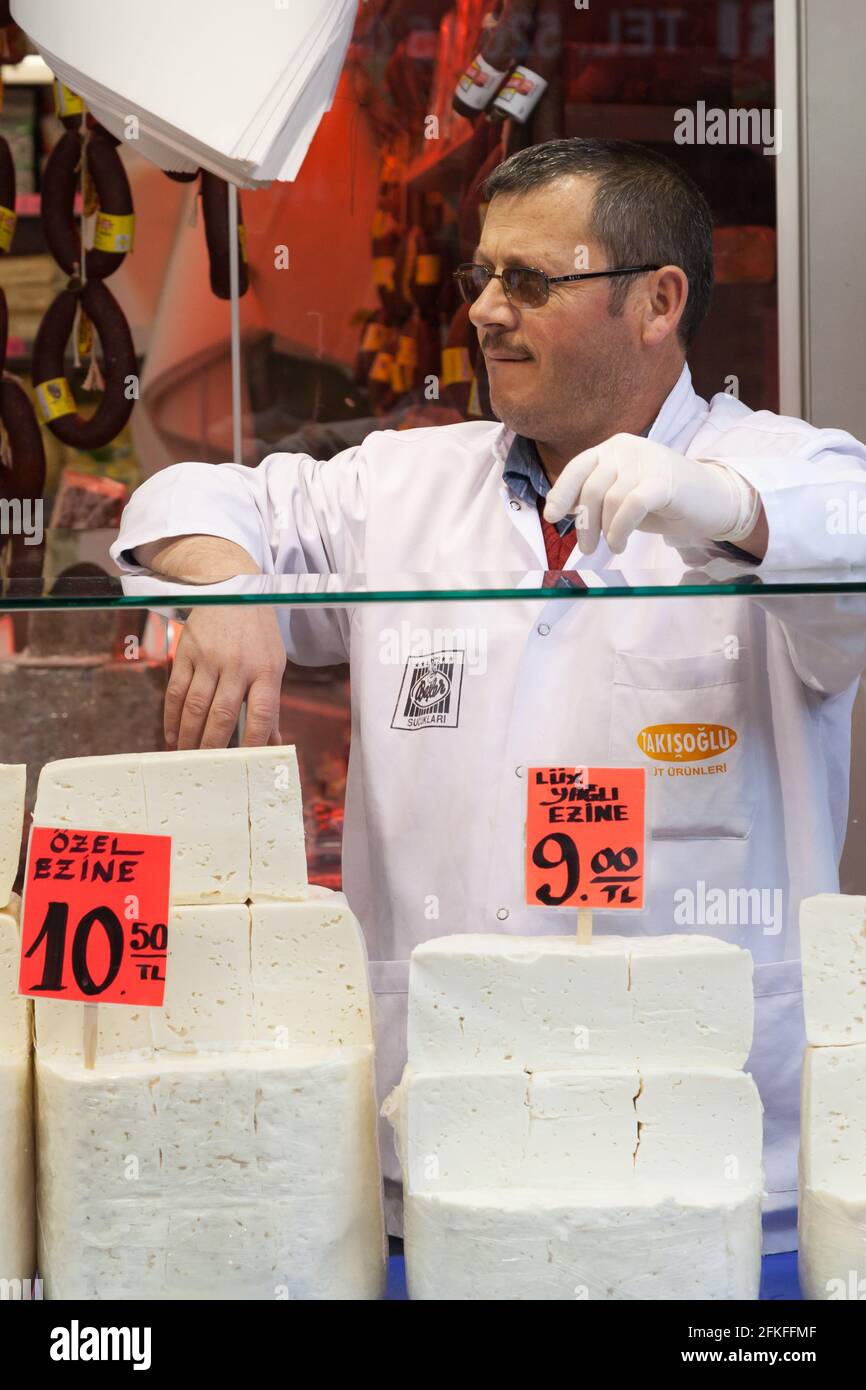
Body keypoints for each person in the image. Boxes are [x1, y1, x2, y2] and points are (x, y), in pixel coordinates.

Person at [111, 138, 866, 1251]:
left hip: (707, 1164)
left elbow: (840, 539)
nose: (483, 311)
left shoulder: (781, 470)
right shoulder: (406, 484)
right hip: (436, 1155)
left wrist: (709, 501)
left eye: (529, 280)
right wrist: (236, 587)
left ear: (657, 301)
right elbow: (186, 499)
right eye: (481, 277)